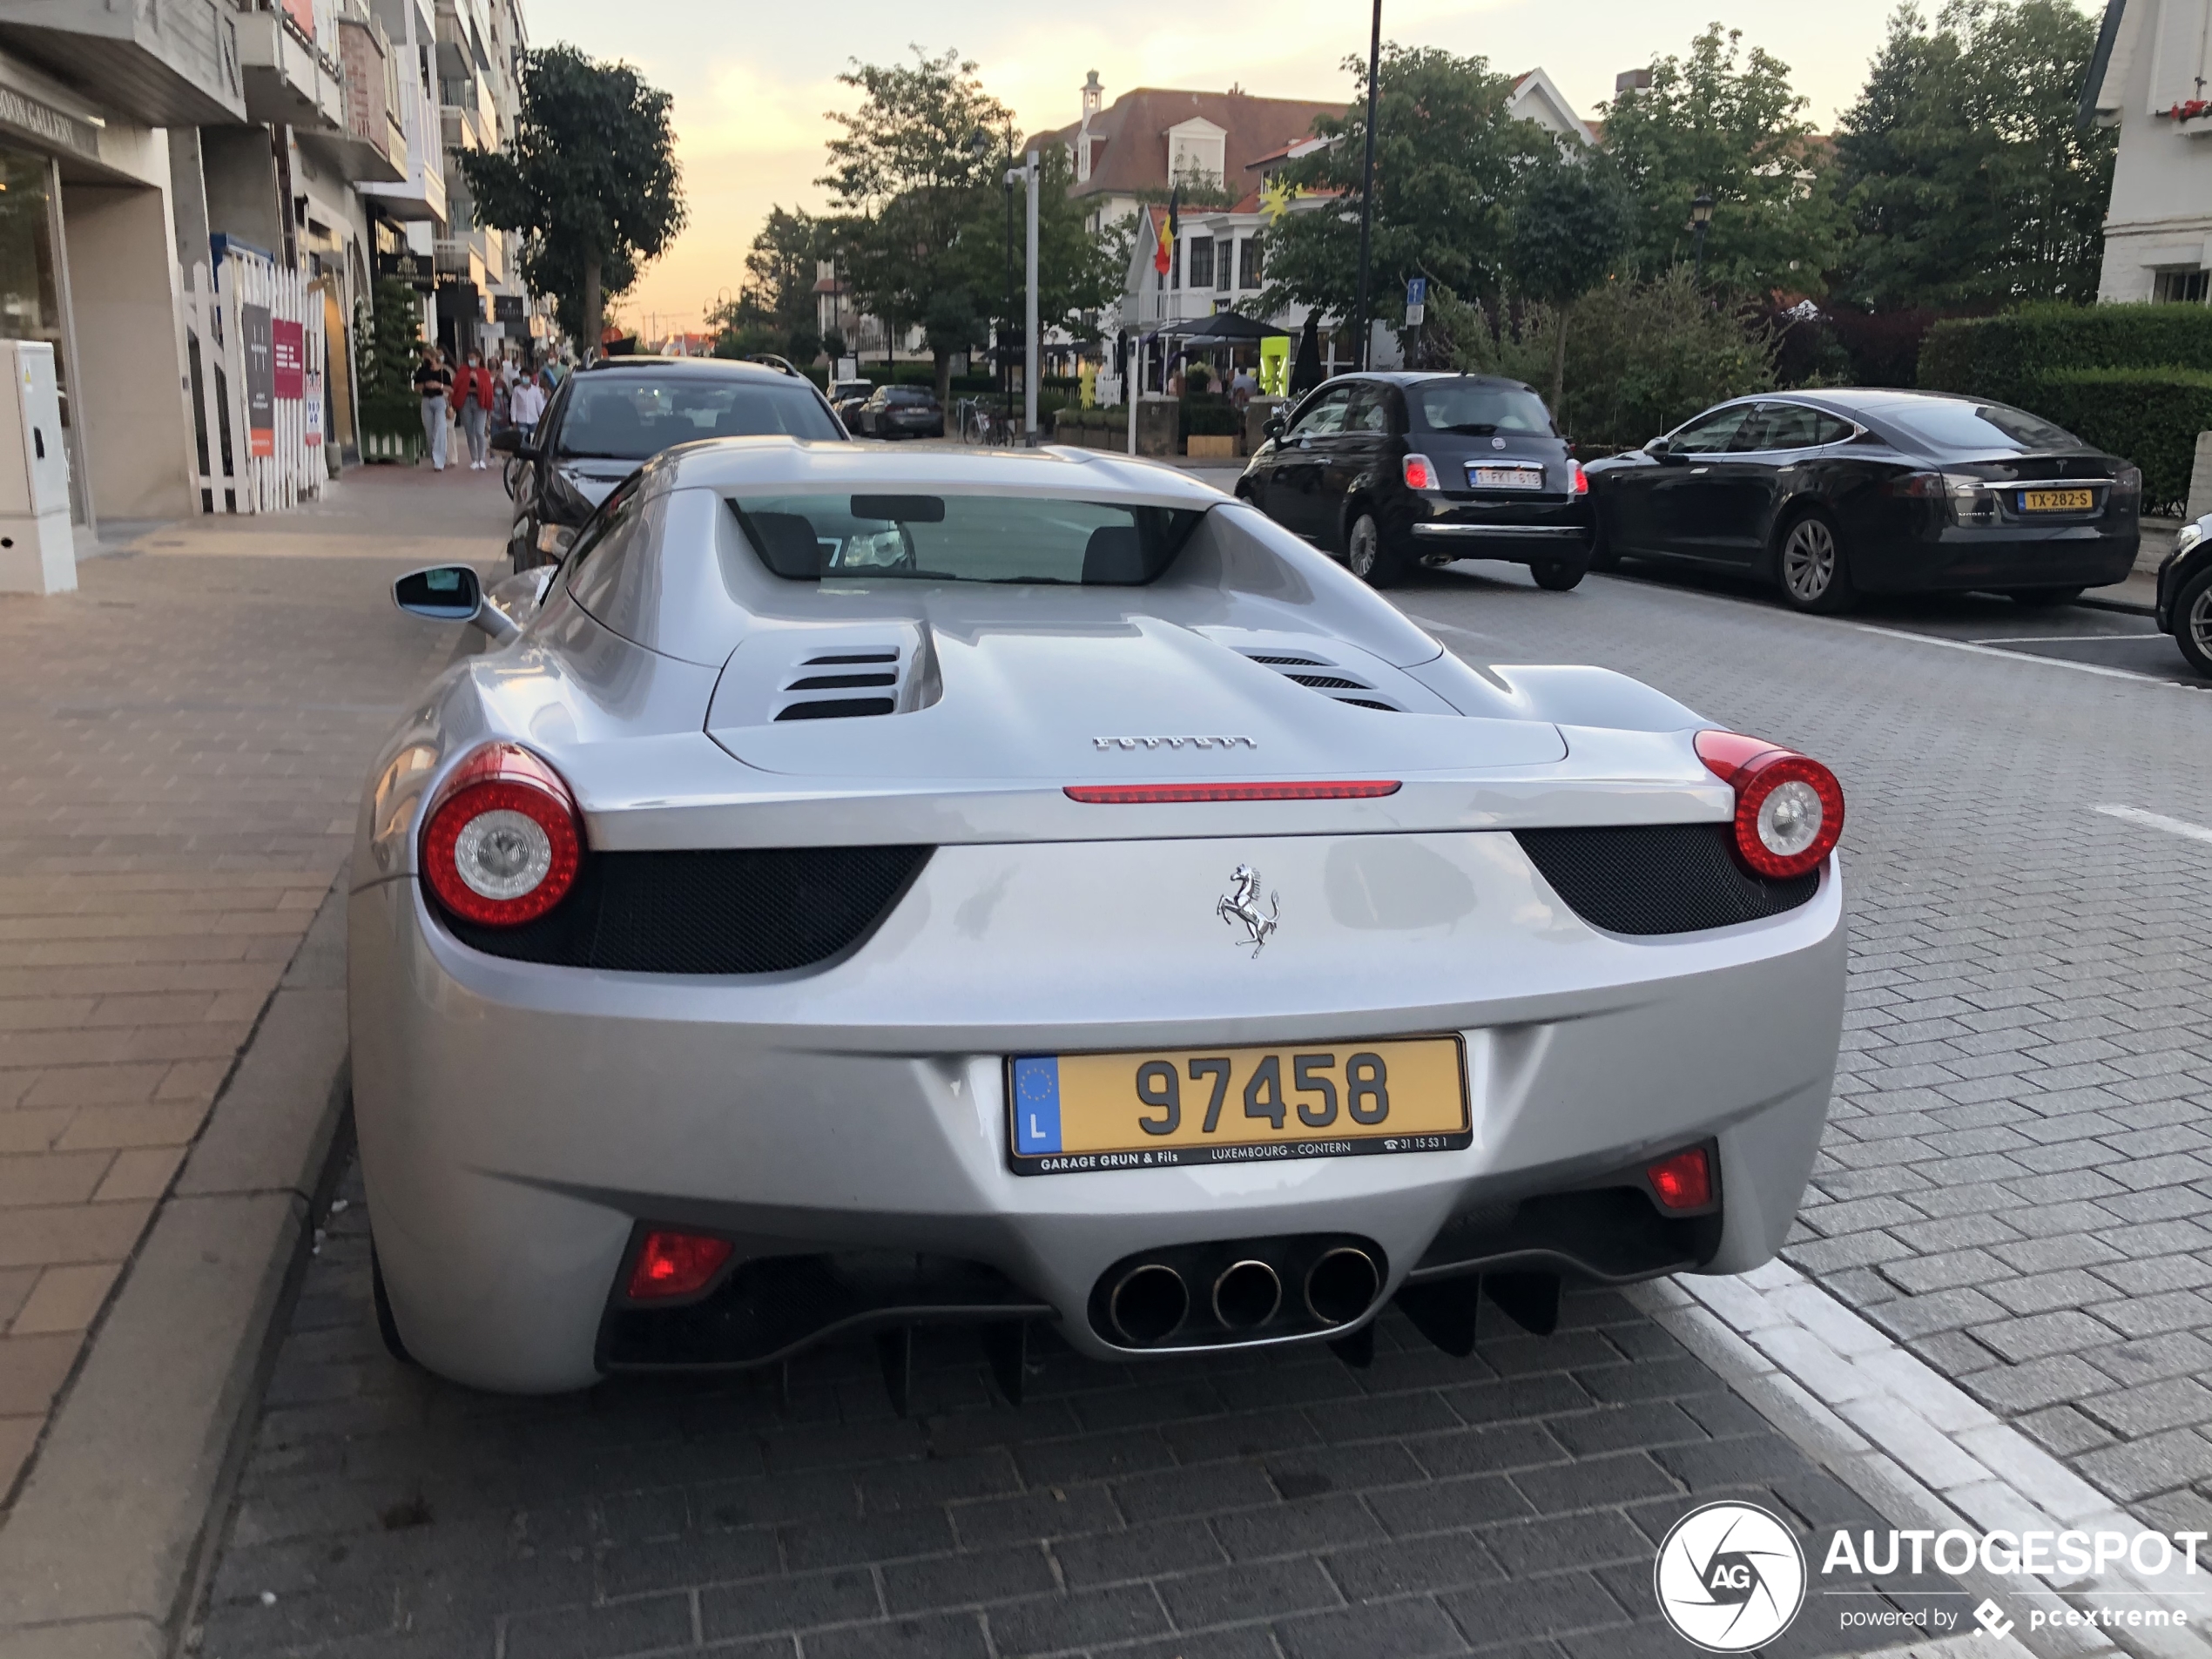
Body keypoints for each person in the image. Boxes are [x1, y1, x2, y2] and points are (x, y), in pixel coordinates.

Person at [451, 347, 496, 469]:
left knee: (480, 432)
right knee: (469, 432)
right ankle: (474, 459)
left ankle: (482, 459)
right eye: (469, 358)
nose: (471, 361)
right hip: (466, 402)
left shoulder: (483, 373)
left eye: (473, 358)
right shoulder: (463, 370)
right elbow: (457, 385)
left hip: (479, 403)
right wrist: (469, 388)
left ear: (478, 359)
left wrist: (476, 381)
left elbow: (487, 389)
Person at [412, 344, 451, 470]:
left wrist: (438, 385)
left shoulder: (443, 372)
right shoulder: (422, 371)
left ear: (434, 356)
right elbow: (415, 387)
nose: (425, 360)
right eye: (424, 357)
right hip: (426, 401)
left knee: (440, 428)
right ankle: (435, 457)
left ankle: (440, 461)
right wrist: (425, 385)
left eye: (427, 357)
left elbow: (451, 389)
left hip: (439, 400)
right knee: (430, 432)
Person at [509, 368, 546, 442]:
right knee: (523, 441)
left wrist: (543, 419)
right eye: (522, 376)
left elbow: (540, 405)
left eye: (525, 376)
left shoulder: (535, 390)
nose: (523, 378)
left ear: (530, 377)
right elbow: (513, 406)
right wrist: (514, 420)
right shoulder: (517, 390)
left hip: (534, 420)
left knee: (533, 441)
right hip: (521, 420)